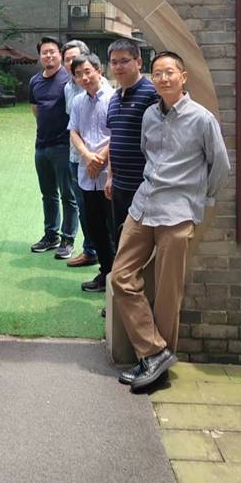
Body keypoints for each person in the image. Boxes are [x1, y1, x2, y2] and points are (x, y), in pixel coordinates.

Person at [112, 52, 230, 393]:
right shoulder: (150, 114)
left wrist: (199, 201)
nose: (163, 79)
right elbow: (147, 154)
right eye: (157, 73)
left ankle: (155, 366)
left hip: (177, 213)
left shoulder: (202, 119)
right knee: (121, 276)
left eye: (169, 73)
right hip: (143, 206)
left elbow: (220, 166)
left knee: (167, 293)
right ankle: (154, 352)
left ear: (183, 76)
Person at [68, 53, 115, 293]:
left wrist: (101, 158)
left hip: (110, 173)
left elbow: (118, 132)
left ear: (99, 70)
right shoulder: (78, 101)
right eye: (78, 74)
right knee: (94, 226)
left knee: (114, 227)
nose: (84, 78)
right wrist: (87, 156)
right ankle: (105, 272)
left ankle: (118, 278)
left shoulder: (114, 98)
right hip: (87, 171)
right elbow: (74, 131)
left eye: (88, 72)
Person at [105, 38, 158, 244]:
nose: (118, 66)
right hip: (119, 185)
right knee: (119, 239)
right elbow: (114, 139)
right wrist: (110, 176)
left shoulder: (152, 95)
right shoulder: (114, 98)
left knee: (139, 244)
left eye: (124, 61)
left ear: (138, 62)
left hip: (143, 186)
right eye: (114, 62)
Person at [28, 36, 78, 259]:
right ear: (40, 56)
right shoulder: (35, 81)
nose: (48, 55)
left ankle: (68, 238)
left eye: (52, 52)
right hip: (41, 145)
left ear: (60, 55)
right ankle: (51, 235)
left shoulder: (69, 79)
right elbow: (36, 109)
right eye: (44, 52)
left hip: (63, 146)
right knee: (48, 194)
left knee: (68, 195)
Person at [61, 39, 98, 269]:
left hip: (100, 160)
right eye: (67, 60)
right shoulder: (68, 88)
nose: (71, 63)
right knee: (83, 207)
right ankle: (90, 250)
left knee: (100, 210)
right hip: (76, 158)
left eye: (75, 58)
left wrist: (93, 156)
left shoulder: (103, 89)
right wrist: (81, 153)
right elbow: (73, 126)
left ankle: (106, 255)